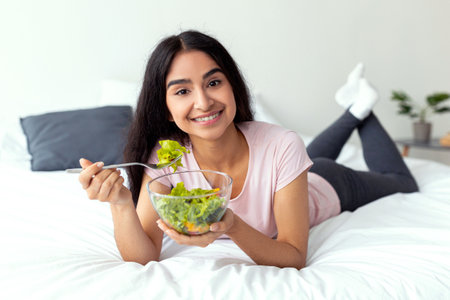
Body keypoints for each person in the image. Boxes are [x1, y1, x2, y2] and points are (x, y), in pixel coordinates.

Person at [77, 30, 418, 269]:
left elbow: (294, 256)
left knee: (401, 180)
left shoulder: (282, 143)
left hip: (329, 185)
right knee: (308, 152)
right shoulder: (167, 157)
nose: (203, 101)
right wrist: (121, 204)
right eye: (182, 91)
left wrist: (231, 226)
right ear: (165, 107)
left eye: (213, 83)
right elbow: (143, 256)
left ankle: (362, 108)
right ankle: (352, 107)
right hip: (293, 170)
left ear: (232, 86)